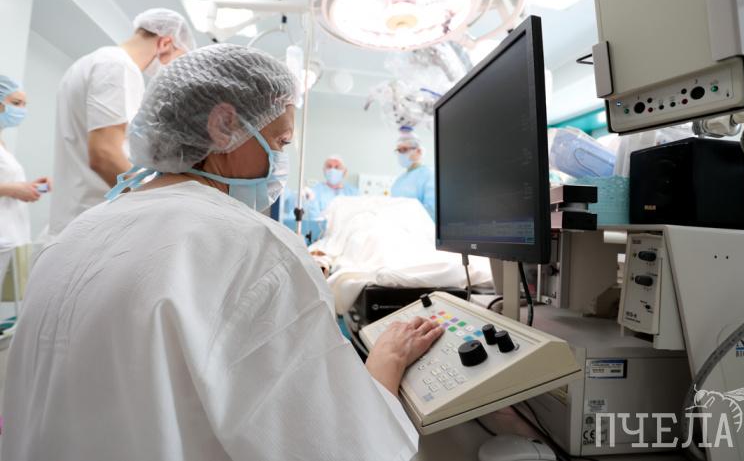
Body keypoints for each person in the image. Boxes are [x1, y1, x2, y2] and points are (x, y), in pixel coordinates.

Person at [2, 45, 442, 461]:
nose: (280, 163)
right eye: (280, 142)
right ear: (224, 125)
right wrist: (387, 360)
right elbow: (345, 448)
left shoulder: (73, 234)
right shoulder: (254, 247)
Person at [47, 8, 195, 236]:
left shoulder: (90, 63)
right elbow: (104, 154)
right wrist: (155, 207)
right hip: (93, 223)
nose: (172, 71)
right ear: (165, 43)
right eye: (177, 61)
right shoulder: (117, 66)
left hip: (77, 219)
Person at [0, 76, 52, 282]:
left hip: (8, 237)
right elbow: (8, 187)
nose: (21, 109)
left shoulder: (2, 143)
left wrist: (29, 187)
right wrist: (14, 189)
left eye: (24, 104)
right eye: (16, 103)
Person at [391, 130, 436, 221]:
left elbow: (432, 212)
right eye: (398, 150)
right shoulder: (399, 180)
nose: (400, 154)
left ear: (418, 151)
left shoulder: (429, 175)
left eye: (404, 149)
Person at [306, 154, 359, 219]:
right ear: (324, 170)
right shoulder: (315, 192)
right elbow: (314, 218)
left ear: (344, 171)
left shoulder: (353, 193)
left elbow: (357, 217)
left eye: (337, 167)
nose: (332, 170)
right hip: (323, 225)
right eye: (329, 167)